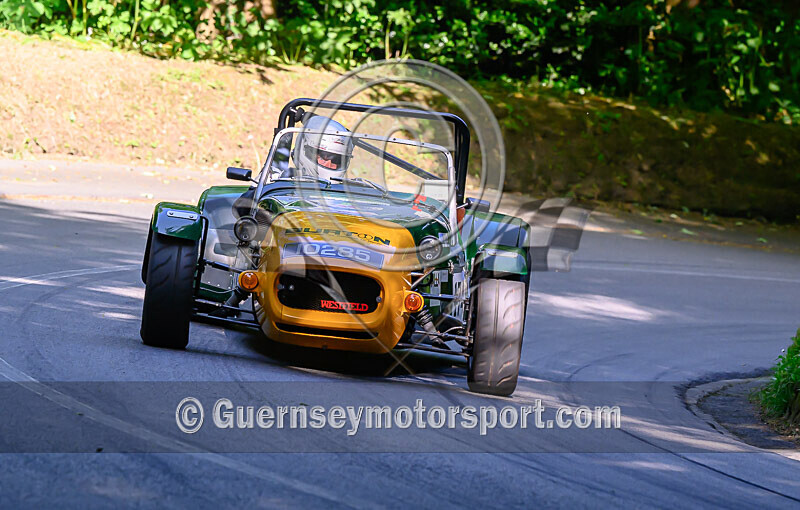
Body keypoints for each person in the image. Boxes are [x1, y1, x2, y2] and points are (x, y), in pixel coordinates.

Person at [291, 115, 354, 181]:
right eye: (323, 157)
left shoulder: (343, 189)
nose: (329, 164)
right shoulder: (283, 184)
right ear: (304, 150)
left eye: (337, 160)